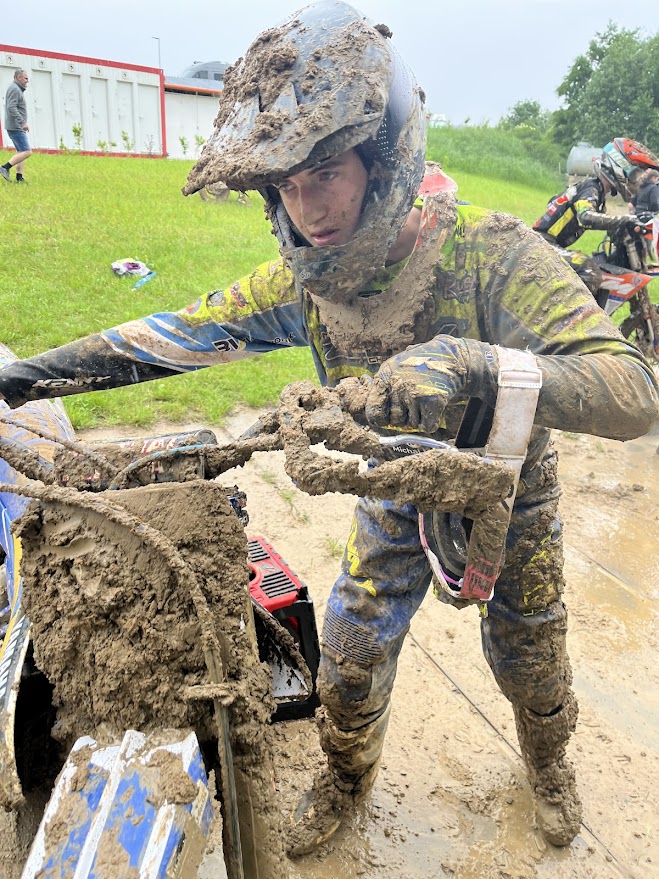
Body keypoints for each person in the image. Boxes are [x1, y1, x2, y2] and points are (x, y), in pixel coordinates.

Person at [0, 0, 657, 857]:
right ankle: (345, 775)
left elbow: (632, 389)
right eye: (285, 184)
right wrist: (18, 379)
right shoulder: (303, 284)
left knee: (530, 662)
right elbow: (168, 337)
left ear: (381, 160)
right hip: (388, 495)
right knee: (346, 662)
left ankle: (547, 762)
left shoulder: (493, 258)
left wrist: (478, 366)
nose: (307, 207)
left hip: (507, 495)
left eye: (325, 172)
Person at [532, 138, 659, 295]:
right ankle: (570, 310)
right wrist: (625, 219)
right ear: (619, 167)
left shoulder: (595, 192)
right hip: (542, 244)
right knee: (589, 270)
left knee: (595, 265)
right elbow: (585, 216)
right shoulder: (591, 189)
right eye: (634, 174)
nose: (636, 180)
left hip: (544, 243)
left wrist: (624, 229)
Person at [2, 69, 32, 184]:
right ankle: (5, 167)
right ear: (19, 78)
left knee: (21, 152)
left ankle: (19, 178)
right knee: (27, 151)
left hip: (16, 126)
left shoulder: (16, 89)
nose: (27, 80)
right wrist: (22, 122)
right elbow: (11, 107)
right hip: (16, 127)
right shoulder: (14, 89)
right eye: (26, 78)